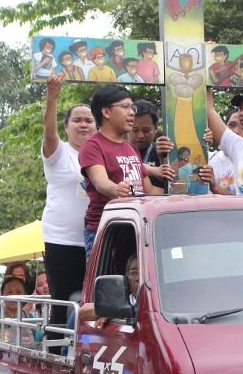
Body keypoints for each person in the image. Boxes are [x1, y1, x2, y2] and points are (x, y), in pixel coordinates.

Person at [79, 85, 174, 261]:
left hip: (135, 228)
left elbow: (149, 191)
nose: (131, 112)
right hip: (106, 230)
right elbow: (101, 182)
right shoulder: (92, 146)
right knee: (107, 285)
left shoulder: (130, 147)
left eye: (132, 107)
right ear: (106, 112)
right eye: (125, 107)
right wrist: (116, 189)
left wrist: (179, 190)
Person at [41, 73, 96, 329]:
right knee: (64, 305)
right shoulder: (59, 151)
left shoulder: (100, 155)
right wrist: (52, 96)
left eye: (89, 120)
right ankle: (59, 358)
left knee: (91, 304)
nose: (83, 125)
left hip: (94, 240)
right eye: (77, 120)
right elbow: (48, 132)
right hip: (62, 241)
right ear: (67, 126)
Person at [128, 99, 171, 192]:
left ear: (155, 128)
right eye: (135, 130)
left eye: (146, 130)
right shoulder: (118, 151)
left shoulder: (165, 152)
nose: (140, 135)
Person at [202, 111, 243, 195]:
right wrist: (202, 145)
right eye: (232, 125)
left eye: (242, 126)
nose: (236, 131)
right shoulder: (208, 160)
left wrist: (215, 188)